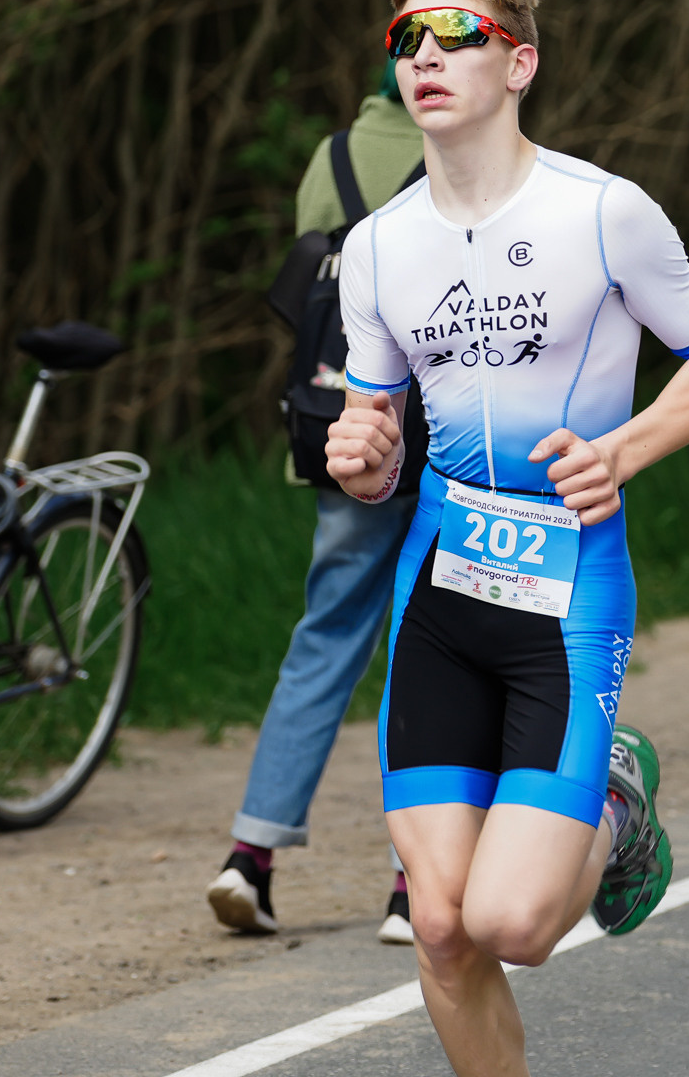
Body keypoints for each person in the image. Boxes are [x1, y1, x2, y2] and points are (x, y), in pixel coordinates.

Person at [324, 0, 689, 1077]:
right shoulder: (375, 249)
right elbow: (374, 444)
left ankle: (617, 800)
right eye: (405, 38)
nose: (425, 55)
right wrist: (358, 454)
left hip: (568, 595)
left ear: (518, 64)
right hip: (439, 590)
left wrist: (624, 448)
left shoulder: (603, 212)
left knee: (516, 927)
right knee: (441, 927)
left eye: (456, 33)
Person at [207, 66, 424, 944]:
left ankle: (249, 857)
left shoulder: (328, 159)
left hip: (339, 437)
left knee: (324, 638)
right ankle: (416, 883)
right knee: (430, 646)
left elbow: (310, 299)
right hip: (439, 442)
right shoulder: (468, 156)